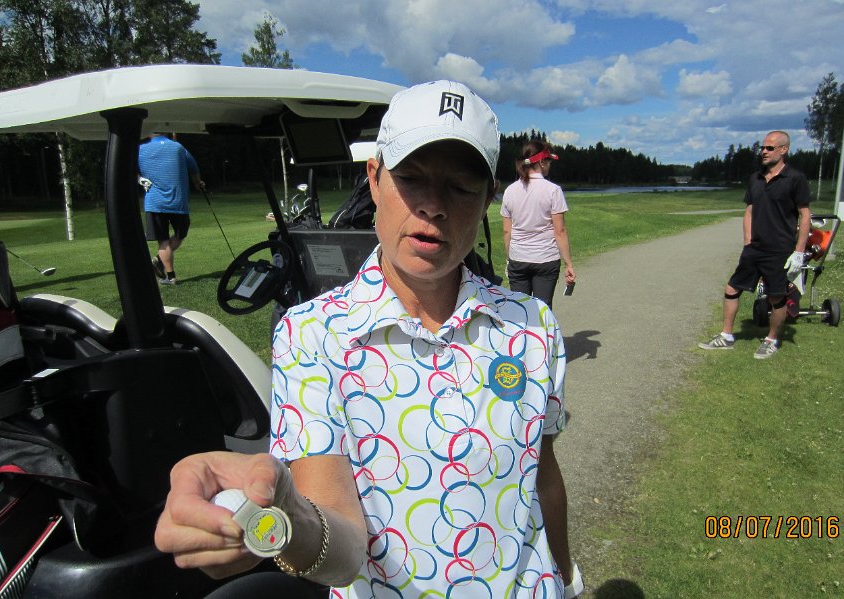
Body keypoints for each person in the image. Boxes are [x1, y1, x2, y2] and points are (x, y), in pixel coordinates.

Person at [155, 81, 584, 598]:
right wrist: (284, 515)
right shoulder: (312, 335)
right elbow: (341, 548)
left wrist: (566, 579)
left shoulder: (533, 326)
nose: (433, 206)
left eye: (461, 187)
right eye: (411, 178)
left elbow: (542, 476)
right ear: (375, 179)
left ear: (488, 199)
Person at [699, 130, 811, 359]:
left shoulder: (795, 178)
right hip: (754, 249)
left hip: (779, 249)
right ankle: (726, 336)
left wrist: (799, 252)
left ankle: (771, 340)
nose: (764, 152)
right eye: (763, 148)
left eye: (770, 148)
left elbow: (805, 214)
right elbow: (749, 211)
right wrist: (748, 241)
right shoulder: (756, 178)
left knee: (776, 297)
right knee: (732, 289)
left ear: (784, 150)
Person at [500, 140, 575, 309]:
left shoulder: (510, 191)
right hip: (546, 259)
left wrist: (509, 258)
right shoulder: (553, 190)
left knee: (520, 310)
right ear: (541, 162)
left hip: (518, 259)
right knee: (543, 309)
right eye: (548, 161)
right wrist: (568, 264)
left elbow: (506, 231)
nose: (549, 165)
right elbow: (560, 231)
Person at [138, 132, 204, 285]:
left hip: (155, 202)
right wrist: (198, 183)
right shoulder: (178, 147)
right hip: (178, 201)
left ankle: (166, 270)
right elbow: (194, 168)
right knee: (180, 234)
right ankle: (167, 272)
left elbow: (128, 169)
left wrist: (139, 179)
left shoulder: (140, 149)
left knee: (163, 240)